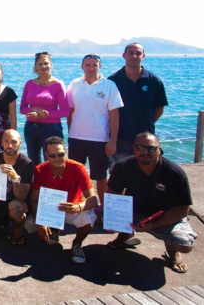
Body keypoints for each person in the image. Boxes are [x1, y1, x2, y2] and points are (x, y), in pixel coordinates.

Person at [107, 133, 197, 274]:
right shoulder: (122, 167)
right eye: (141, 147)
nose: (145, 152)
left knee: (184, 244)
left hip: (164, 217)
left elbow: (182, 209)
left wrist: (154, 224)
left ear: (159, 150)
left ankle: (172, 252)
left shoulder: (174, 173)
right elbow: (112, 194)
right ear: (134, 149)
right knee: (98, 217)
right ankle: (125, 235)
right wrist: (114, 219)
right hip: (134, 211)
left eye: (151, 148)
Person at [66, 54, 123, 217]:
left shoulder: (109, 85)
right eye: (88, 65)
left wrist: (112, 141)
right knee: (75, 175)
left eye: (95, 65)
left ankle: (104, 210)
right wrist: (71, 132)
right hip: (76, 139)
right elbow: (70, 111)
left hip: (99, 140)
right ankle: (76, 207)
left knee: (100, 177)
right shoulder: (75, 84)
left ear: (100, 67)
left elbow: (114, 115)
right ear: (82, 66)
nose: (91, 68)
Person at [31, 136, 97, 264]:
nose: (57, 159)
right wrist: (40, 221)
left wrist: (77, 207)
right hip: (51, 208)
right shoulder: (39, 169)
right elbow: (34, 200)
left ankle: (77, 244)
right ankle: (54, 228)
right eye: (52, 155)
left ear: (65, 151)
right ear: (46, 155)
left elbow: (93, 200)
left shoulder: (78, 168)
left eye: (60, 154)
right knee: (34, 229)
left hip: (73, 207)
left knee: (90, 217)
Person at [108, 43, 168, 164]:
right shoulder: (112, 81)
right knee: (118, 176)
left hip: (146, 139)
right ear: (124, 55)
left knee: (145, 175)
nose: (134, 56)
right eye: (130, 53)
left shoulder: (154, 81)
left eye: (138, 53)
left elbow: (159, 108)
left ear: (143, 56)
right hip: (120, 138)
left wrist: (145, 124)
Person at [20, 52, 69, 164]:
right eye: (40, 64)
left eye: (46, 63)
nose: (43, 66)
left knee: (53, 161)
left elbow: (65, 111)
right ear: (36, 67)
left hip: (51, 128)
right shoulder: (29, 84)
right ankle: (36, 182)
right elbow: (22, 108)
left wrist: (45, 114)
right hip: (31, 128)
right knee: (33, 162)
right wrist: (34, 111)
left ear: (51, 65)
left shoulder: (58, 84)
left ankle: (54, 182)